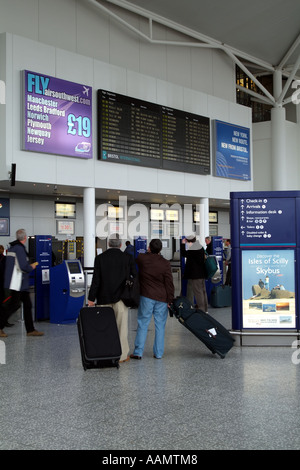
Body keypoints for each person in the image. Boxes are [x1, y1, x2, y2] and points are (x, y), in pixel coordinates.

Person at [88, 233, 136, 363]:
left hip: (103, 299)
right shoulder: (128, 258)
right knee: (121, 328)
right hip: (121, 299)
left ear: (109, 244)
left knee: (104, 327)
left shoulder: (100, 258)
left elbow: (96, 280)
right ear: (120, 244)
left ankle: (105, 354)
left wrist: (91, 298)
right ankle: (121, 356)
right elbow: (134, 276)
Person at [130, 239, 174, 360]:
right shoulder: (165, 263)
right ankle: (158, 353)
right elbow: (169, 283)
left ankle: (138, 352)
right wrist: (170, 299)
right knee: (160, 325)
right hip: (162, 297)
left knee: (143, 323)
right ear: (160, 249)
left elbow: (137, 259)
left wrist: (148, 252)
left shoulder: (142, 258)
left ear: (149, 247)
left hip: (147, 296)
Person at [0, 229, 43, 338]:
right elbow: (23, 266)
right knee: (14, 305)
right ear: (24, 238)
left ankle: (30, 330)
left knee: (27, 305)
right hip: (18, 283)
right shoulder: (19, 249)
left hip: (18, 283)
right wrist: (31, 266)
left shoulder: (12, 248)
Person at [180, 234, 208, 313]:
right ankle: (205, 309)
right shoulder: (199, 247)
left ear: (189, 241)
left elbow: (184, 254)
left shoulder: (193, 249)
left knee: (198, 292)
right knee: (203, 291)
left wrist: (182, 244)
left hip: (196, 275)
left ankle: (201, 310)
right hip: (201, 273)